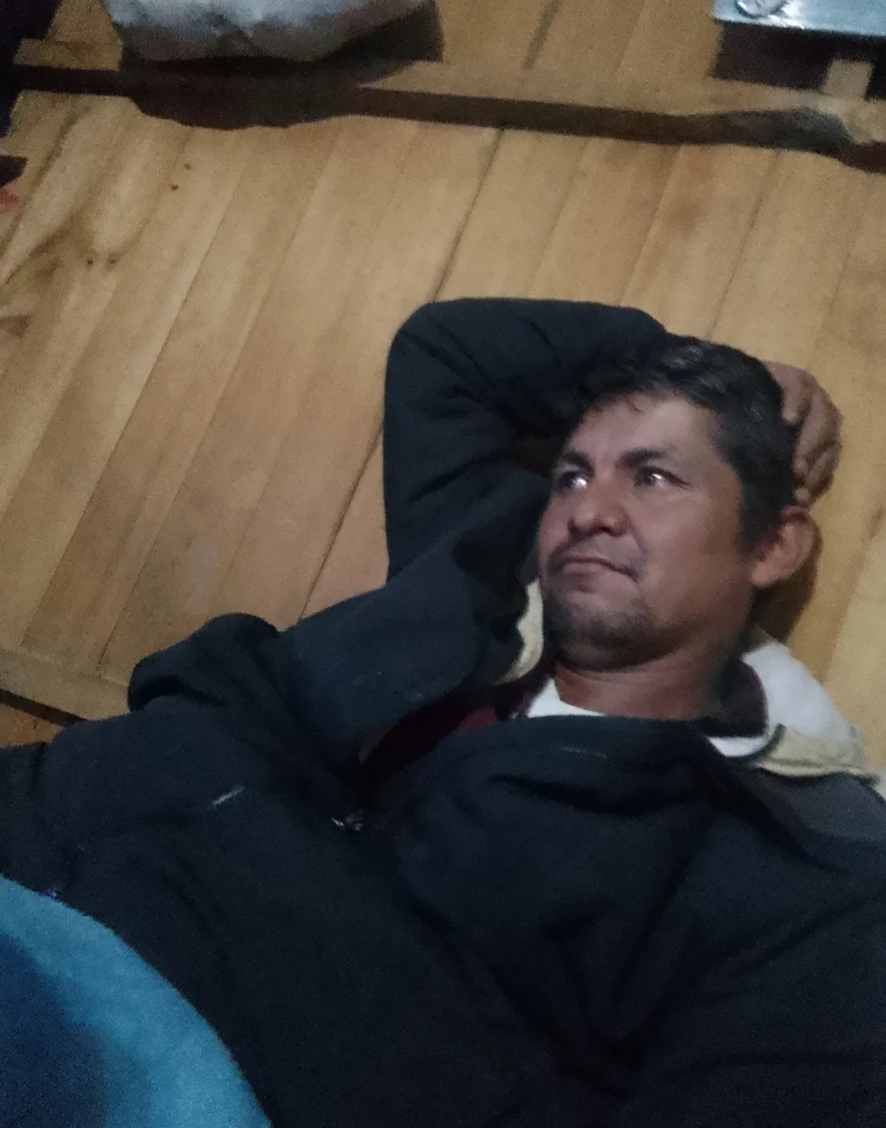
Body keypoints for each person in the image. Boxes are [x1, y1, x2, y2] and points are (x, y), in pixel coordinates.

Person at [1, 299, 883, 1128]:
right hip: (41, 824)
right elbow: (446, 355)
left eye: (653, 476)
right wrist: (694, 368)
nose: (589, 510)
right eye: (573, 474)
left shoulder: (790, 875)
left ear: (775, 542)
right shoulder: (480, 561)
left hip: (142, 1046)